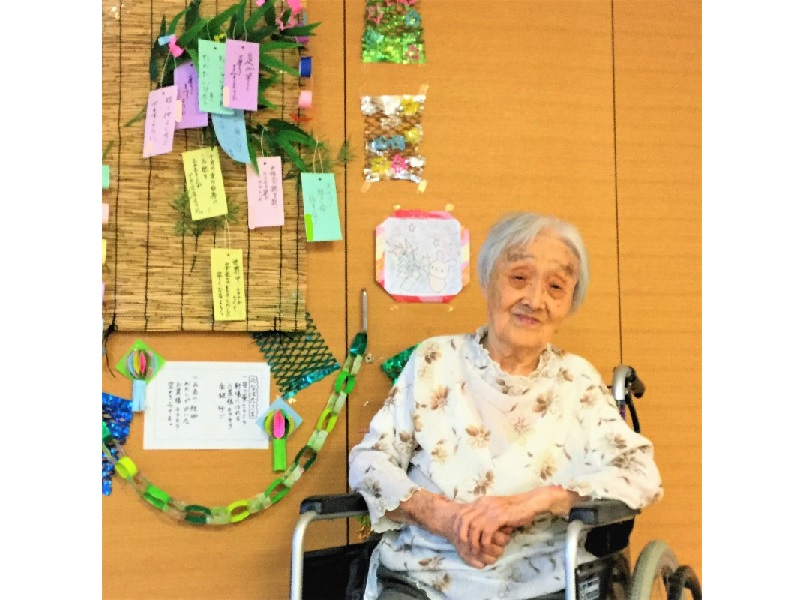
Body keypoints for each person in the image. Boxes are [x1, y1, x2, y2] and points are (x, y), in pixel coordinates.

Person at [348, 212, 663, 600]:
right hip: (422, 578)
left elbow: (640, 472)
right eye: (519, 278)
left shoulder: (576, 379)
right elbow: (369, 460)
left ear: (569, 303)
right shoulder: (435, 359)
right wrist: (442, 516)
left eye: (556, 287)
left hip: (544, 583)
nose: (535, 300)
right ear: (488, 280)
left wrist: (536, 502)